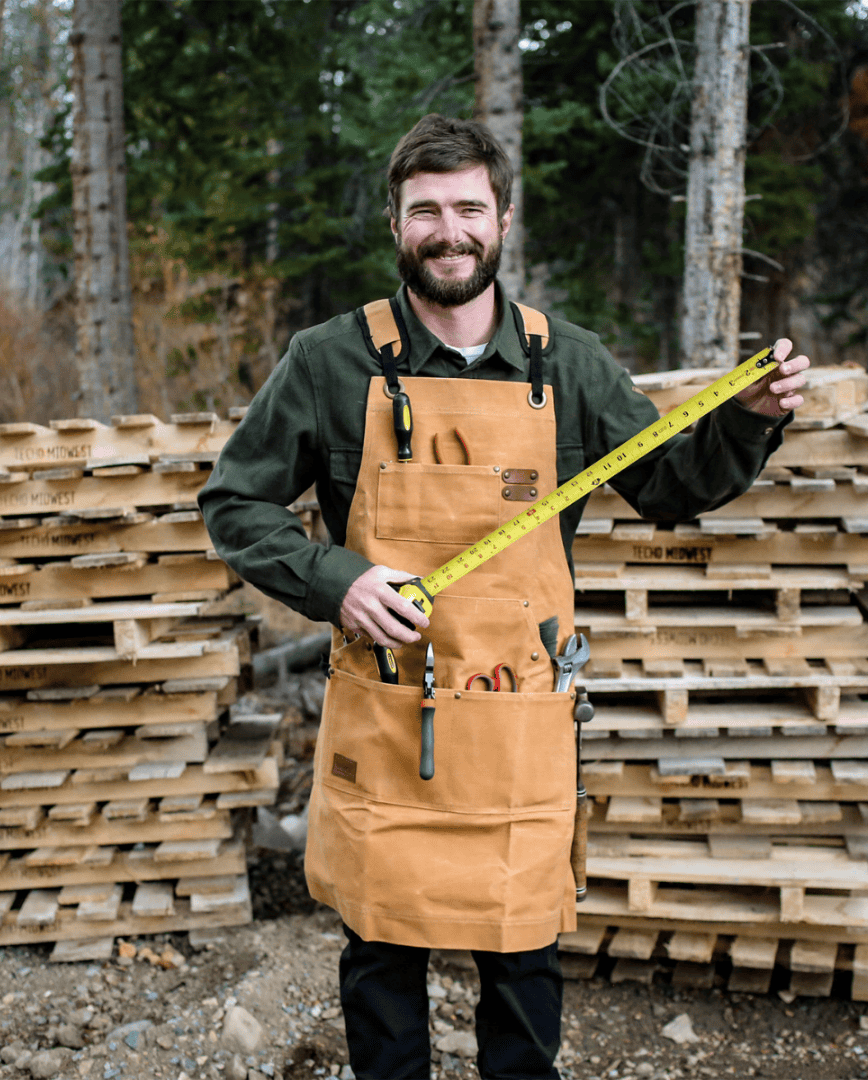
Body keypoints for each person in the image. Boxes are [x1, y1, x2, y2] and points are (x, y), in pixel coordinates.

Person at [200, 113, 809, 1080]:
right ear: (397, 223)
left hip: (520, 718)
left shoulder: (565, 361)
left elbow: (670, 486)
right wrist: (339, 580)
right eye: (427, 210)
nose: (450, 230)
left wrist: (748, 420)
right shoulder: (327, 361)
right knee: (382, 964)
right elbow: (235, 504)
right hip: (389, 716)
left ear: (505, 219)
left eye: (469, 208)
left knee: (523, 969)